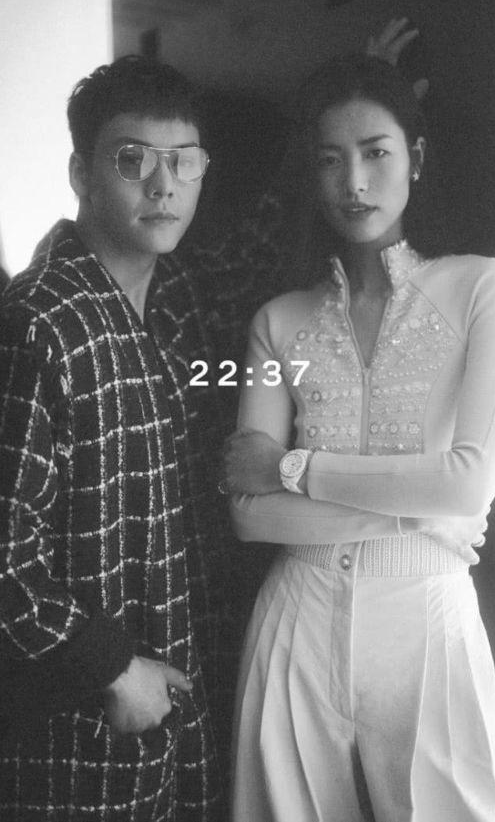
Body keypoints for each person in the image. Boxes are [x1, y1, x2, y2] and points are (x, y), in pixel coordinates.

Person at [0, 55, 278, 822]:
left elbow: (261, 260)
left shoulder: (179, 300)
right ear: (81, 173)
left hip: (183, 710)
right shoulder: (37, 322)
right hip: (77, 732)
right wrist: (112, 666)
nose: (163, 185)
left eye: (183, 161)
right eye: (132, 159)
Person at [224, 54, 495, 821]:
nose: (354, 181)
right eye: (331, 159)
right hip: (296, 620)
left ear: (416, 157)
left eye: (375, 152)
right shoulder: (278, 320)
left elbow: (469, 481)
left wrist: (293, 466)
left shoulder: (482, 289)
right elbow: (249, 513)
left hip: (429, 622)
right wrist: (425, 516)